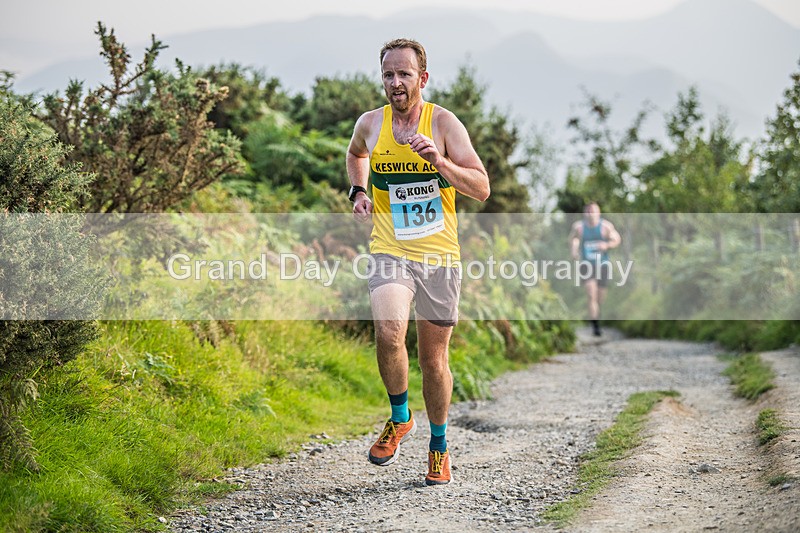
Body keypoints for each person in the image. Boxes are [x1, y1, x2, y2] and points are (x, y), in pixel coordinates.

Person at [346, 38, 490, 485]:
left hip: (440, 258)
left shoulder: (444, 123)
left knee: (434, 361)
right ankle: (400, 416)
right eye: (388, 74)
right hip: (390, 249)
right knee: (389, 332)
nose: (395, 83)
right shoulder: (371, 124)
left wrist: (440, 162)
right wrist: (359, 190)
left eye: (404, 74)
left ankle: (439, 445)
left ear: (422, 79)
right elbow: (356, 156)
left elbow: (482, 188)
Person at [569, 202, 621, 337]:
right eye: (588, 211)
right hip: (587, 265)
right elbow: (573, 239)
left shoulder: (605, 227)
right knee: (591, 294)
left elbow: (617, 239)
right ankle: (595, 325)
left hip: (603, 265)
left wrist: (607, 245)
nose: (590, 214)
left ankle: (596, 313)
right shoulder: (579, 227)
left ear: (598, 213)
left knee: (600, 297)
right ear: (585, 213)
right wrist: (574, 251)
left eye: (593, 211)